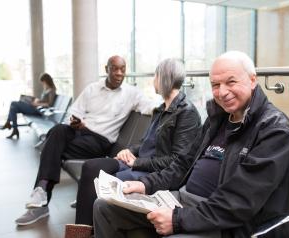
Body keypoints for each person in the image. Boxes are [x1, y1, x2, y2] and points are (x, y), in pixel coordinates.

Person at [92, 51, 289, 238]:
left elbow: (239, 202)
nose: (222, 92)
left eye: (231, 82)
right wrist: (146, 184)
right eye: (215, 85)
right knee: (105, 207)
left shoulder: (273, 128)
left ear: (252, 80)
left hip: (224, 221)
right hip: (181, 199)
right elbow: (183, 163)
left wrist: (178, 219)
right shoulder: (219, 119)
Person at [65, 58, 201, 237]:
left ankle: (89, 231)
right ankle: (81, 231)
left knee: (104, 185)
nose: (153, 80)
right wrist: (131, 150)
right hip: (136, 163)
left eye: (155, 75)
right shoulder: (161, 109)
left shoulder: (186, 113)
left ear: (163, 78)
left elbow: (176, 161)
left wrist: (137, 162)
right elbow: (146, 141)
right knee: (90, 167)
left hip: (147, 170)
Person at [15, 55, 157, 226]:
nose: (119, 73)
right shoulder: (92, 89)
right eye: (115, 69)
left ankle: (42, 193)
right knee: (59, 130)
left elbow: (149, 106)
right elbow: (73, 112)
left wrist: (166, 105)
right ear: (106, 69)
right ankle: (42, 192)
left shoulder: (132, 93)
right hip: (79, 132)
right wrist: (76, 122)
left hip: (100, 141)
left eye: (123, 69)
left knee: (52, 146)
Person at [0, 73, 56, 139]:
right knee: (13, 108)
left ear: (46, 80)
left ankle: (11, 126)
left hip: (38, 110)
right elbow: (44, 100)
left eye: (43, 82)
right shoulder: (46, 89)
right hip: (36, 107)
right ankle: (14, 129)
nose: (43, 84)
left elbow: (49, 104)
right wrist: (37, 100)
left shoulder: (52, 90)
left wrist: (36, 104)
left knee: (13, 104)